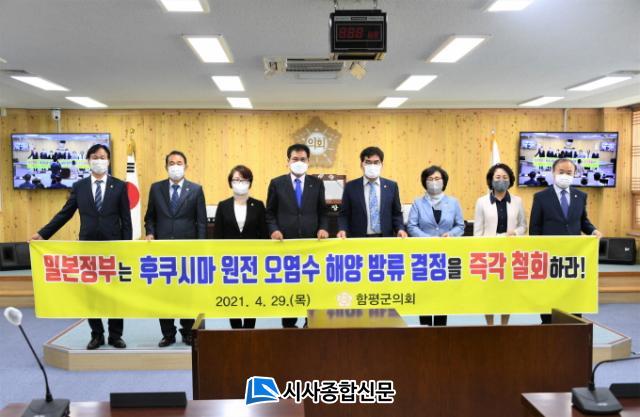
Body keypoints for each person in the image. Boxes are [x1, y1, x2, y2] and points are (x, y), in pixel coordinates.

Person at [31, 144, 132, 349]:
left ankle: (115, 336)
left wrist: (127, 247)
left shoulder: (120, 186)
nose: (99, 160)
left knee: (115, 293)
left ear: (108, 161)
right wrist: (43, 234)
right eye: (95, 157)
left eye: (102, 157)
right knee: (90, 292)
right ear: (88, 160)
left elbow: (126, 220)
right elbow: (65, 214)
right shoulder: (80, 187)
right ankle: (97, 335)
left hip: (114, 247)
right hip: (88, 247)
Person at [144, 150, 207, 347]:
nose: (175, 166)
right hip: (162, 251)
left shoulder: (195, 189)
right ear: (166, 166)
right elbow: (150, 217)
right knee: (164, 294)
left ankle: (187, 332)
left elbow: (201, 222)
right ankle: (168, 334)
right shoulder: (156, 188)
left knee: (186, 293)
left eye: (179, 163)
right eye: (171, 163)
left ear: (186, 166)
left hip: (187, 251)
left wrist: (200, 248)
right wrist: (150, 232)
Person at [529, 158, 602, 324]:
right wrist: (537, 252)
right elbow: (535, 227)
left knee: (573, 291)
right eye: (561, 172)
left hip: (573, 256)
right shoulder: (541, 197)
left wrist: (593, 230)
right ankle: (547, 323)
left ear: (575, 174)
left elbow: (583, 221)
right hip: (549, 256)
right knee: (549, 292)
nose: (565, 175)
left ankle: (574, 323)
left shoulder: (580, 196)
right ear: (553, 172)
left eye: (569, 173)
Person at [266, 143, 329, 328]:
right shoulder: (277, 183)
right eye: (295, 159)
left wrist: (323, 228)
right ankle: (289, 325)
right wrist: (273, 229)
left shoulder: (317, 183)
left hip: (312, 245)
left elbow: (323, 212)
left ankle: (310, 322)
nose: (299, 162)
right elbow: (270, 213)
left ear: (308, 161)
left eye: (303, 159)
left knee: (312, 285)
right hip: (286, 245)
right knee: (290, 287)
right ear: (288, 161)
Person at [407, 165, 464, 327]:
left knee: (442, 294)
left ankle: (440, 329)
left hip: (445, 256)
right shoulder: (418, 203)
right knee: (424, 294)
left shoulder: (453, 202)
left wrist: (450, 234)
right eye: (430, 179)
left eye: (437, 178)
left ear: (444, 181)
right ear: (424, 182)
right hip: (423, 257)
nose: (434, 182)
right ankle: (424, 329)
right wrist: (429, 239)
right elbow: (411, 226)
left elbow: (460, 226)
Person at [214, 165, 267, 329]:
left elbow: (264, 234)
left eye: (243, 180)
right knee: (233, 297)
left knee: (251, 296)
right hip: (230, 262)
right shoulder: (223, 206)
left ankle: (249, 329)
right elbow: (218, 236)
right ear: (230, 182)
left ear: (250, 182)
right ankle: (236, 329)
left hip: (253, 261)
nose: (240, 183)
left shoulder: (258, 205)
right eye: (236, 180)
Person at [474, 163, 527, 326]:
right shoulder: (482, 202)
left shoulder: (517, 201)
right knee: (488, 291)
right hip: (488, 254)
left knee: (507, 291)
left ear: (510, 180)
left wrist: (515, 232)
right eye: (497, 177)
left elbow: (523, 226)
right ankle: (490, 325)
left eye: (505, 177)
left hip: (510, 252)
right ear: (491, 180)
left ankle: (504, 324)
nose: (501, 180)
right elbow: (478, 231)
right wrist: (480, 251)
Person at [337, 146, 407, 239]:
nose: (372, 166)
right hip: (359, 239)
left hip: (385, 238)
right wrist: (342, 229)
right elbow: (344, 214)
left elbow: (396, 213)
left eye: (376, 162)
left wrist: (400, 229)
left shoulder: (391, 186)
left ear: (382, 164)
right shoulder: (350, 187)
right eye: (368, 162)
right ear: (361, 165)